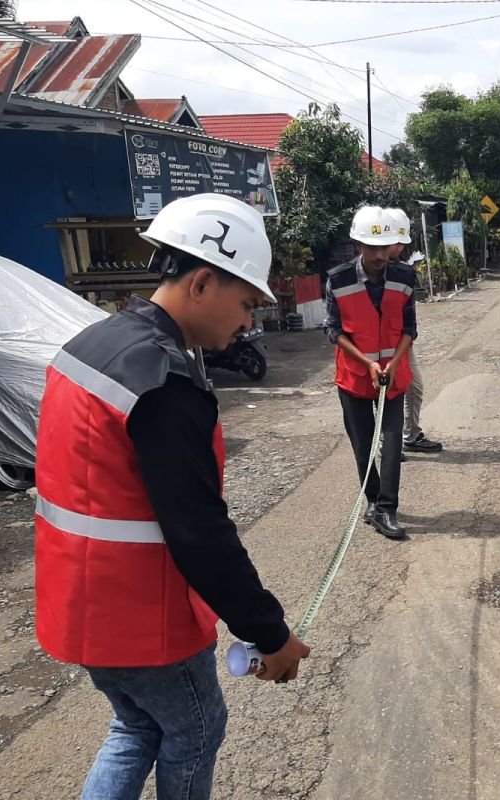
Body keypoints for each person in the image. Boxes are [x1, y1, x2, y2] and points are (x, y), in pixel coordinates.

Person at [33, 193, 310, 800]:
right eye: (245, 303)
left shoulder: (95, 342)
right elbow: (200, 532)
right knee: (195, 729)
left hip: (77, 602)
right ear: (203, 281)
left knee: (137, 724)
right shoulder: (164, 381)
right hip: (141, 614)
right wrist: (271, 635)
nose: (247, 323)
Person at [326, 206, 417, 540]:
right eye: (373, 247)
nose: (380, 254)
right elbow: (333, 330)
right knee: (363, 445)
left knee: (392, 440)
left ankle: (387, 508)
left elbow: (410, 328)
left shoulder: (406, 278)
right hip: (354, 376)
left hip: (393, 375)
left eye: (385, 247)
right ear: (358, 245)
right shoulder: (338, 280)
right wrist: (367, 363)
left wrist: (392, 363)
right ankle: (374, 502)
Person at [382, 208, 443, 456]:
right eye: (396, 242)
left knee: (412, 387)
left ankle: (410, 435)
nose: (398, 247)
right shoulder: (376, 271)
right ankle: (388, 442)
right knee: (388, 392)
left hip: (402, 339)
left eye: (401, 243)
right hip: (383, 340)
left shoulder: (401, 268)